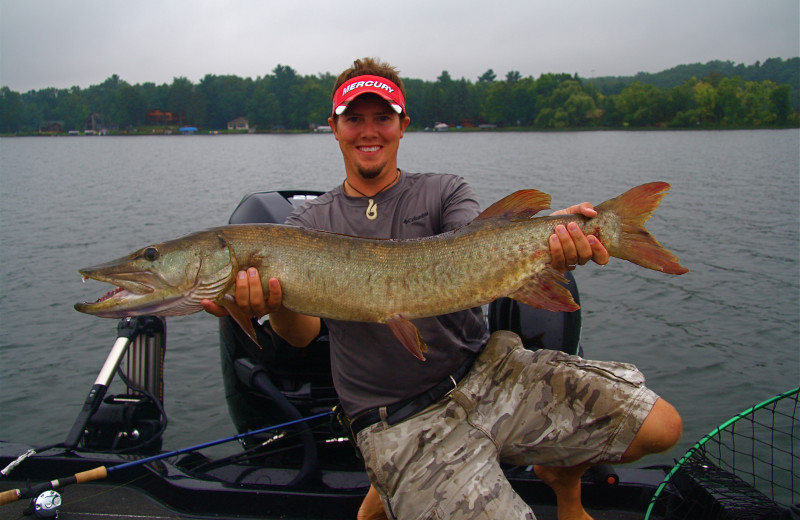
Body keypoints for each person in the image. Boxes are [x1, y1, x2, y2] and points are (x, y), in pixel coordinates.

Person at [203, 58, 682, 520]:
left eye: (382, 118)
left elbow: (478, 246)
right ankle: (393, 481)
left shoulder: (444, 191)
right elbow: (302, 335)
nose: (369, 131)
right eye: (355, 119)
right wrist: (272, 305)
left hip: (488, 375)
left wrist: (559, 235)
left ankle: (558, 468)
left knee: (662, 428)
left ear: (402, 124)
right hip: (400, 419)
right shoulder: (307, 223)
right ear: (335, 127)